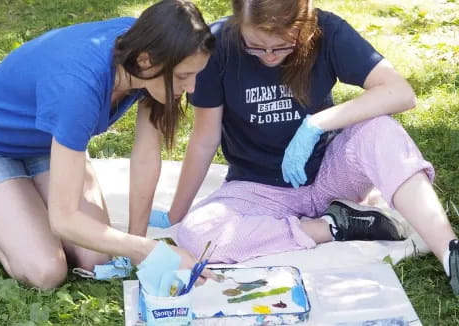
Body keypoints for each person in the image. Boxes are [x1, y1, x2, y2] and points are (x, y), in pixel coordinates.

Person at [150, 0, 459, 295]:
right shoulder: (217, 46)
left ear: (304, 25)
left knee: (380, 128)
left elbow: (400, 92)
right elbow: (205, 139)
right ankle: (336, 226)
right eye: (255, 46)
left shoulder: (328, 30)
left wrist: (317, 124)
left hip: (330, 175)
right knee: (197, 234)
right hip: (258, 188)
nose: (269, 56)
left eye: (283, 45)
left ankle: (451, 255)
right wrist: (177, 215)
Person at [0, 0, 215, 289]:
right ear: (146, 61)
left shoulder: (149, 51)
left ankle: (19, 200)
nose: (192, 88)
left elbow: (145, 157)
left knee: (98, 259)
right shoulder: (80, 84)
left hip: (47, 142)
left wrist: (137, 245)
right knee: (45, 272)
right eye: (184, 76)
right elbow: (64, 219)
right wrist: (150, 251)